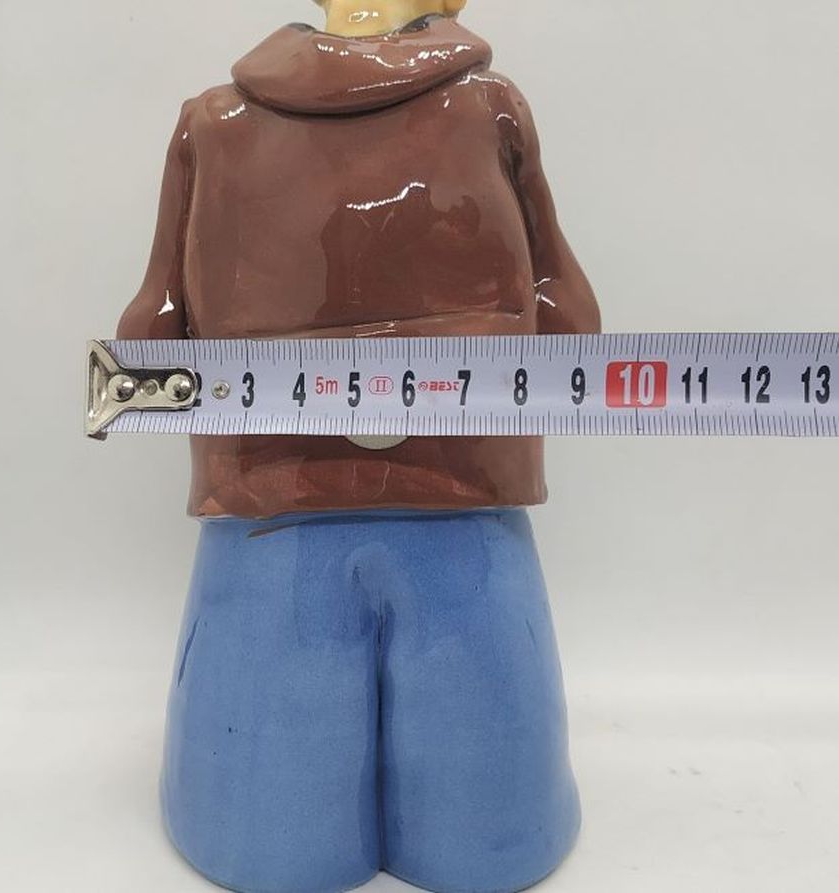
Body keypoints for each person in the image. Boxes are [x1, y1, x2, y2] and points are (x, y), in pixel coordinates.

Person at [117, 2, 600, 891]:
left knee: (267, 807)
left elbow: (151, 329)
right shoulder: (491, 108)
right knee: (487, 793)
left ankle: (261, 836)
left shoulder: (211, 124)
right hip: (468, 497)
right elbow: (565, 306)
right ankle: (490, 837)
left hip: (267, 505)